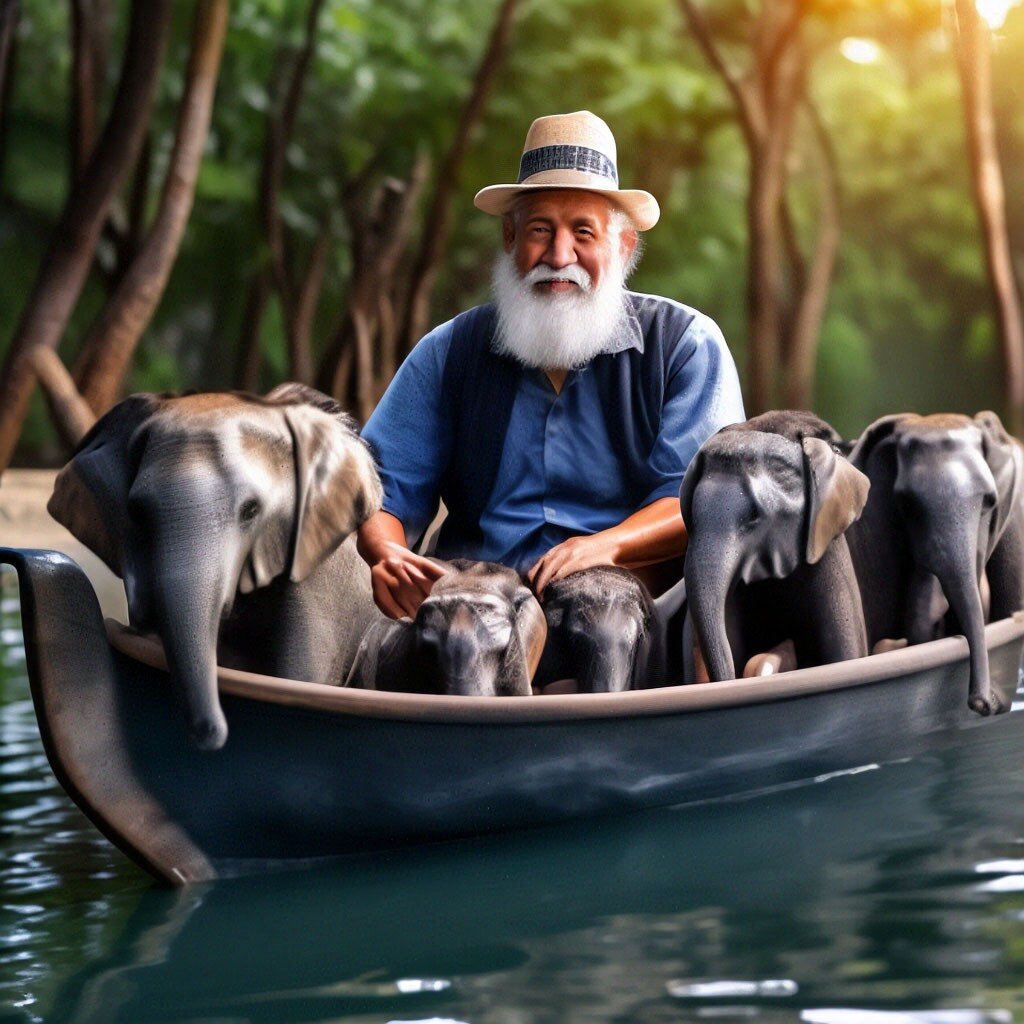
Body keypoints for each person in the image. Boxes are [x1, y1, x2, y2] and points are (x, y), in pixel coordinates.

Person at [358, 110, 745, 629]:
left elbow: (702, 500)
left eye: (583, 232)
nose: (559, 255)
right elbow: (381, 490)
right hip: (469, 614)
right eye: (541, 230)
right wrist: (387, 553)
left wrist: (607, 547)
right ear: (510, 239)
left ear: (623, 246)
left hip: (633, 618)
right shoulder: (449, 351)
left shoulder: (684, 346)